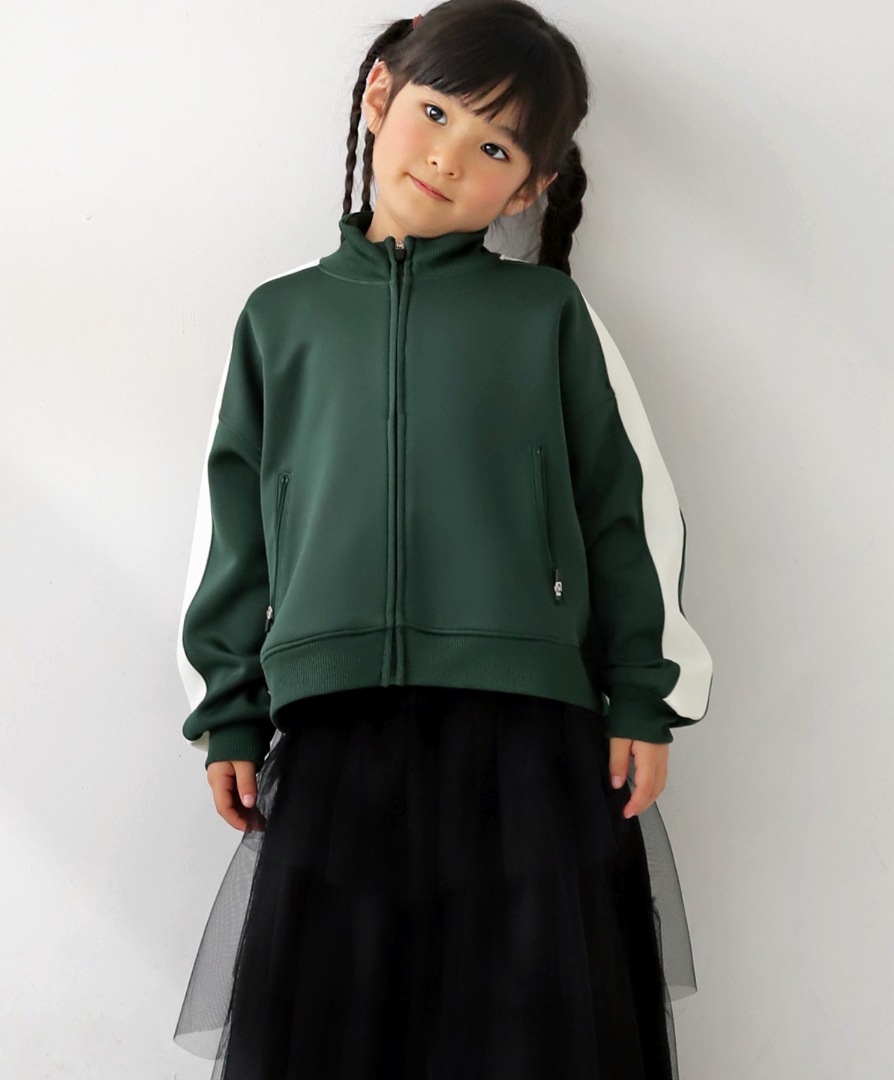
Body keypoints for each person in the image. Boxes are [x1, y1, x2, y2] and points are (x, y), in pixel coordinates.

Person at [172, 2, 713, 1078]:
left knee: (522, 1032)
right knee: (345, 1029)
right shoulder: (279, 320)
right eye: (435, 113)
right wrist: (226, 710)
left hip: (525, 740)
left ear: (528, 189)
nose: (449, 156)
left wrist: (644, 694)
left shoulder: (548, 317)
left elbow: (627, 511)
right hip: (338, 740)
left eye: (494, 147)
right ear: (381, 96)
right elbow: (232, 531)